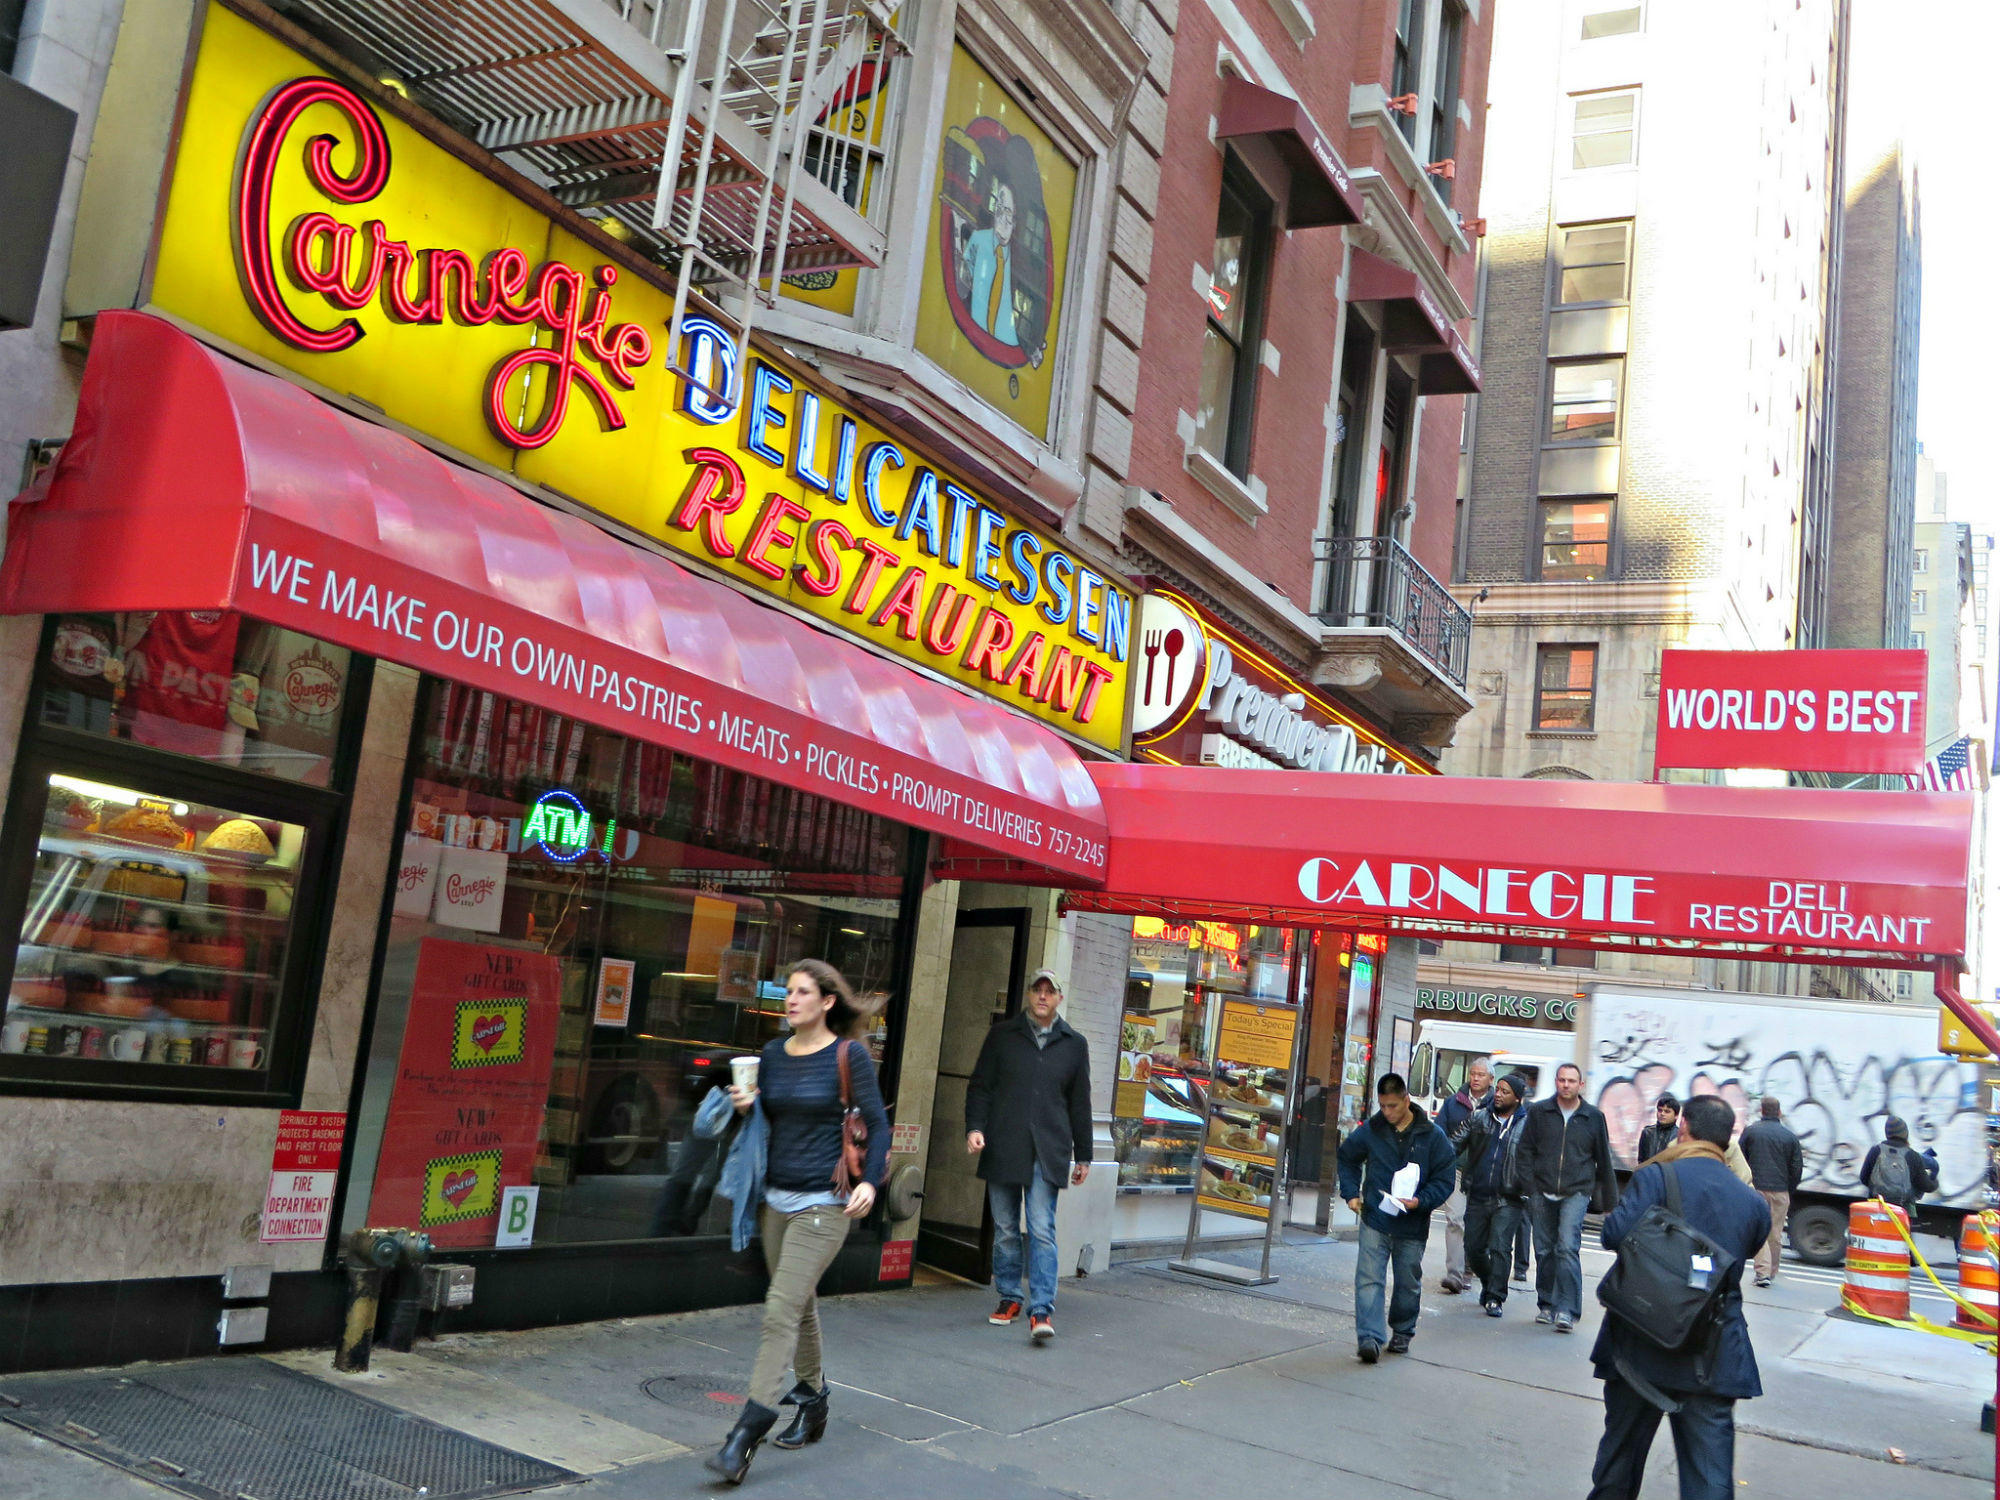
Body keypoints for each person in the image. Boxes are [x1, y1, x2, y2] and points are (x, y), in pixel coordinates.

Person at [705, 960, 890, 1486]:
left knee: (780, 1309)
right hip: (775, 1202)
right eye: (788, 992)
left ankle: (744, 1435)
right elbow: (768, 1121)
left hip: (825, 1205)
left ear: (827, 1002)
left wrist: (870, 1183)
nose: (791, 1000)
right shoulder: (770, 1055)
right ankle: (814, 1397)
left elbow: (877, 1125)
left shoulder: (847, 1056)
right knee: (800, 1301)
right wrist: (746, 1105)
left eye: (803, 992)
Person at [1588, 1096, 1771, 1500]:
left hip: (1641, 1340)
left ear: (1684, 1126)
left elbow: (1613, 1235)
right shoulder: (1753, 1204)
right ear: (1728, 1141)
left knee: (1618, 1469)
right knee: (1709, 1480)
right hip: (1713, 1351)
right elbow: (1745, 1253)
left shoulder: (1657, 1177)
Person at [966, 967, 1093, 1341]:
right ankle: (1009, 1297)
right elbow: (980, 1087)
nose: (1042, 996)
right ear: (1028, 995)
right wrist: (975, 1128)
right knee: (1005, 1229)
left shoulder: (1074, 1043)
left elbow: (1079, 1103)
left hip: (1047, 1149)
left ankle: (1041, 1309)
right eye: (1036, 990)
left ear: (1058, 998)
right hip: (1004, 1143)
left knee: (1041, 1229)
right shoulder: (1003, 1036)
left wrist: (1083, 1155)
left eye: (1049, 991)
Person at [1337, 1073, 1457, 1362]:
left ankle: (1402, 1330)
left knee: (1408, 1281)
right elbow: (1347, 1156)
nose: (1387, 1112)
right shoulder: (1372, 1129)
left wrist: (1421, 1201)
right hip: (1376, 1217)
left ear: (1406, 1100)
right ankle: (1369, 1337)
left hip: (1412, 1223)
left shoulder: (1432, 1135)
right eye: (1383, 1106)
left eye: (1392, 1105)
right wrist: (1351, 1193)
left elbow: (1445, 1179)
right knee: (1368, 1278)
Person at [1518, 1062, 1620, 1334]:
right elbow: (1525, 1150)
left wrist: (1610, 1204)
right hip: (1541, 1189)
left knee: (1566, 1246)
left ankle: (1567, 1310)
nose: (1566, 1085)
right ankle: (1547, 1303)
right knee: (1544, 1249)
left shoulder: (1593, 1117)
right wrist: (1529, 1186)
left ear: (1580, 1085)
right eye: (1562, 1080)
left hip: (1576, 1191)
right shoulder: (1539, 1112)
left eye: (1571, 1081)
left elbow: (1603, 1160)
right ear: (1556, 1082)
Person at [1455, 1071, 1533, 1316]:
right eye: (1497, 1089)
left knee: (1500, 1247)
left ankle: (1495, 1298)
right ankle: (1489, 1282)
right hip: (1478, 1194)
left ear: (1518, 1098)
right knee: (1473, 1247)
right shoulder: (1479, 1117)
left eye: (1505, 1091)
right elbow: (1454, 1143)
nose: (1498, 1095)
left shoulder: (1528, 1125)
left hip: (1509, 1197)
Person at [1437, 1056, 1496, 1294]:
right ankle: (1455, 1274)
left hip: (1485, 1175)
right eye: (1473, 1074)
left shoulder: (1498, 1105)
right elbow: (1439, 1133)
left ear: (1491, 1079)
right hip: (1458, 1170)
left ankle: (1471, 1269)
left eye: (1481, 1075)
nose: (1475, 1078)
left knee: (1478, 1225)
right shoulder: (1453, 1103)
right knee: (1455, 1219)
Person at [1737, 1098, 1804, 1287]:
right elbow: (1796, 1167)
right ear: (1779, 1112)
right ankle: (1772, 1271)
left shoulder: (1751, 1132)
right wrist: (1789, 1188)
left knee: (1759, 1230)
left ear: (1761, 1111)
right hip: (1780, 1190)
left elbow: (1741, 1160)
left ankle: (1762, 1272)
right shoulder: (1789, 1136)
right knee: (1775, 1232)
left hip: (1756, 1189)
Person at [1858, 1115, 1939, 1214]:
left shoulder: (1876, 1151)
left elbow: (1863, 1178)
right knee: (1903, 1229)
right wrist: (1934, 1178)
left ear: (1887, 1133)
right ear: (1905, 1133)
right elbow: (1927, 1186)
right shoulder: (1913, 1156)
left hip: (1877, 1208)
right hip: (1903, 1211)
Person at [1636, 1095, 1680, 1164]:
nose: (1662, 1114)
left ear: (1676, 1115)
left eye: (1667, 1111)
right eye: (1660, 1110)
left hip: (1669, 1174)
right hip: (1648, 1172)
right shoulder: (1647, 1132)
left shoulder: (1680, 1136)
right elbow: (1641, 1160)